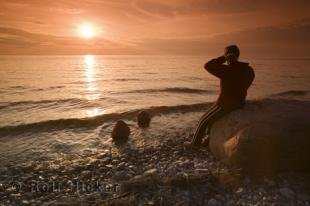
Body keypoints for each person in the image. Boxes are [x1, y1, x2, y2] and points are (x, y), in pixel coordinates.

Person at [186, 45, 255, 147]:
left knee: (203, 121)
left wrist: (223, 58)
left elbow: (207, 65)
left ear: (228, 55)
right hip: (238, 102)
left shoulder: (227, 70)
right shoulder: (248, 70)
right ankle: (207, 140)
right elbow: (247, 83)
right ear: (238, 55)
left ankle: (195, 144)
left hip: (226, 104)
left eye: (227, 54)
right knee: (210, 119)